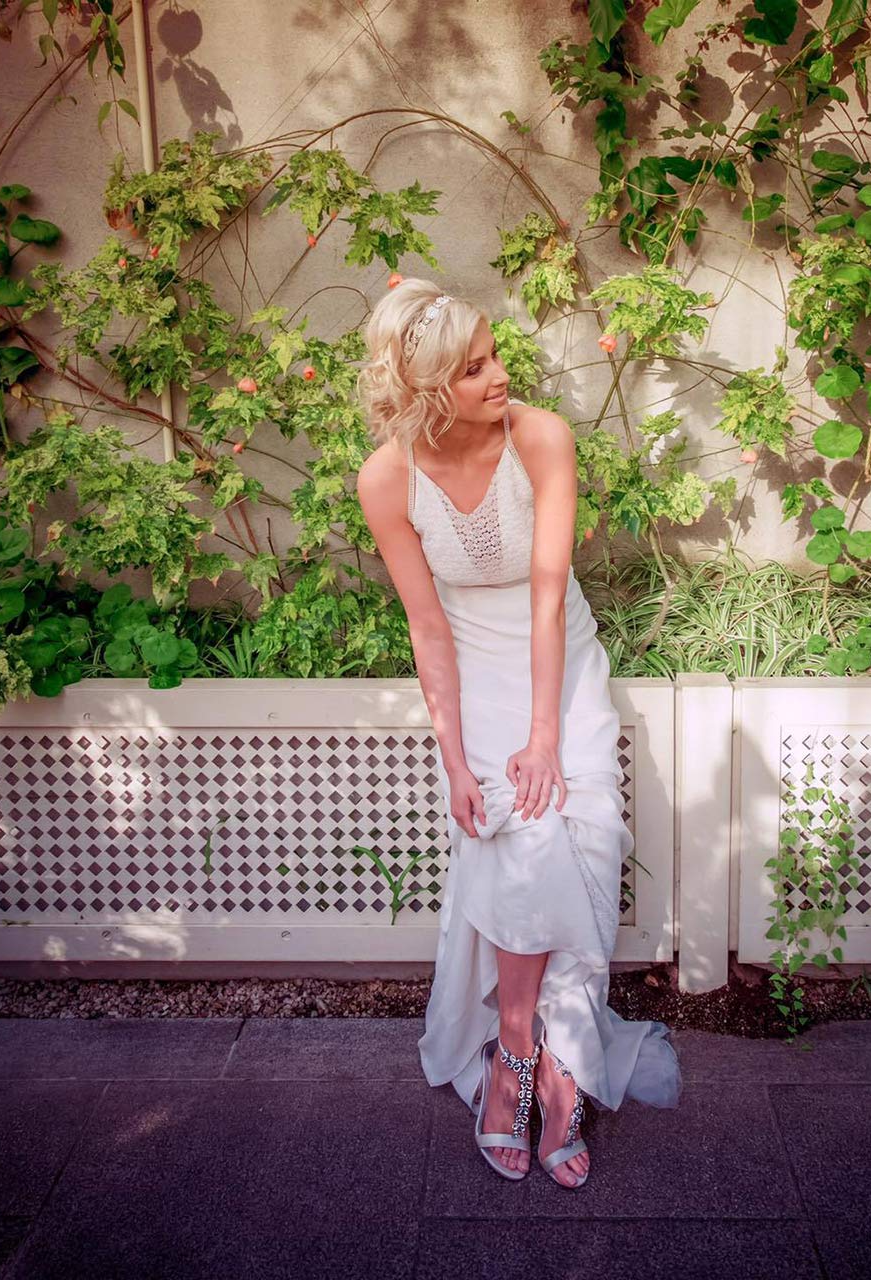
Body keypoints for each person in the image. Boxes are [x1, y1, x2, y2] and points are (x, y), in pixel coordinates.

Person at [356, 278, 681, 1188]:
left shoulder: (539, 437)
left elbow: (547, 596)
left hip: (558, 666)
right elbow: (426, 627)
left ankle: (552, 1063)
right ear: (424, 392)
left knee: (575, 836)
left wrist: (546, 737)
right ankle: (517, 1055)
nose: (501, 375)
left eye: (495, 353)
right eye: (473, 369)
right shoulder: (387, 479)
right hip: (473, 675)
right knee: (514, 841)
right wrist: (454, 758)